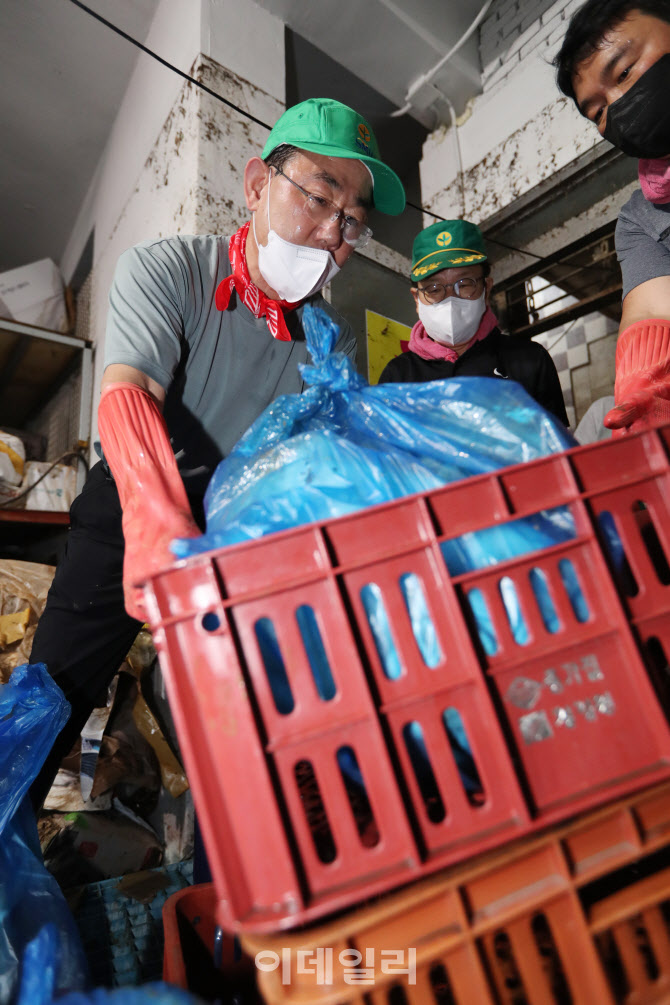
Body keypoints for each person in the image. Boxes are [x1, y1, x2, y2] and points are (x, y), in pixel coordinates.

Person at [29, 97, 405, 809]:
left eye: (353, 221)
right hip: (132, 509)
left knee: (247, 734)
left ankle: (234, 889)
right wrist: (155, 521)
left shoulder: (324, 342)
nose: (333, 233)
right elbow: (129, 388)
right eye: (320, 197)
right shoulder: (169, 271)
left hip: (241, 537)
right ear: (258, 186)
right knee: (54, 695)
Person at [554, 0, 670, 434]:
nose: (620, 105)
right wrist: (646, 386)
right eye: (599, 111)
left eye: (623, 73)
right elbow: (651, 314)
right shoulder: (643, 220)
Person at [378, 219, 569, 425]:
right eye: (434, 288)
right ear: (417, 299)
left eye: (464, 284)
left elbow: (558, 448)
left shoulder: (530, 360)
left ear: (486, 289)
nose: (450, 299)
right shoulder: (397, 377)